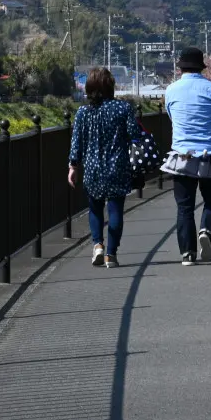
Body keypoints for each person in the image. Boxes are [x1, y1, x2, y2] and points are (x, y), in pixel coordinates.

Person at [163, 47, 211, 265]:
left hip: (181, 155)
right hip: (210, 152)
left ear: (181, 68)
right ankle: (206, 229)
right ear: (201, 67)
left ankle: (187, 254)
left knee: (184, 206)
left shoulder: (171, 91)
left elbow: (172, 116)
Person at [67, 66, 142, 269]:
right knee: (116, 210)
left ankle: (97, 244)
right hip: (117, 166)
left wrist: (73, 166)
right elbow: (135, 134)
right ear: (111, 86)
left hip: (92, 168)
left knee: (95, 208)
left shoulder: (83, 112)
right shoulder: (123, 108)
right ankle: (111, 254)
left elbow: (77, 142)